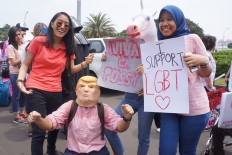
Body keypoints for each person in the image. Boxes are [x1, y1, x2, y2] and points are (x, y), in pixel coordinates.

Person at [17, 12, 94, 155]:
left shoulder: (68, 47)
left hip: (56, 90)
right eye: (59, 23)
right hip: (36, 88)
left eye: (66, 25)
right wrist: (20, 80)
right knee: (39, 131)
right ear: (52, 24)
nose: (62, 27)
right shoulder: (38, 41)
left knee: (55, 124)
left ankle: (51, 151)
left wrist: (85, 63)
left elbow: (71, 69)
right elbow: (25, 63)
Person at [28, 75, 134, 155]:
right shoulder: (69, 107)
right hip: (73, 152)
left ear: (98, 91)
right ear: (76, 90)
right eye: (82, 86)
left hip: (98, 152)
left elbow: (119, 127)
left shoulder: (104, 109)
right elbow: (51, 122)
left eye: (91, 86)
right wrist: (39, 120)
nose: (86, 89)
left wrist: (126, 118)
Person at [156, 5, 211, 155]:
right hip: (170, 106)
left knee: (187, 151)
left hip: (194, 108)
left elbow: (206, 73)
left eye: (169, 19)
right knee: (166, 151)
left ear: (179, 20)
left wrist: (202, 60)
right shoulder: (157, 45)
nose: (164, 23)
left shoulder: (192, 38)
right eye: (161, 20)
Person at [6, 26, 27, 124]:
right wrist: (24, 59)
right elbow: (13, 62)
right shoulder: (10, 47)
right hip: (15, 74)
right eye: (16, 35)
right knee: (16, 95)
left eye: (20, 34)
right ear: (12, 36)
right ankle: (16, 115)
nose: (19, 36)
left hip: (24, 73)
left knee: (24, 94)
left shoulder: (24, 45)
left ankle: (22, 113)